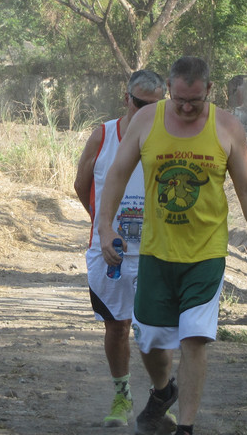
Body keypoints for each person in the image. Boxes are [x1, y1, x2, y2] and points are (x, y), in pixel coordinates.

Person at [96, 56, 247, 435]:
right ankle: (163, 391)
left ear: (209, 89)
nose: (187, 108)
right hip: (156, 253)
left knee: (194, 339)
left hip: (205, 255)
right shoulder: (147, 121)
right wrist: (105, 226)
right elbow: (117, 174)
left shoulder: (227, 127)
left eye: (195, 100)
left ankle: (186, 428)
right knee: (149, 342)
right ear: (169, 89)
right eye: (180, 100)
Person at [73, 70, 166, 428]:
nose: (147, 111)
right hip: (110, 252)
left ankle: (161, 398)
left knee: (153, 329)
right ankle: (122, 396)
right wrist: (103, 226)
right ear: (126, 98)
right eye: (141, 103)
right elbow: (81, 184)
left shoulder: (168, 137)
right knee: (116, 326)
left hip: (155, 251)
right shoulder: (103, 135)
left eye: (156, 105)